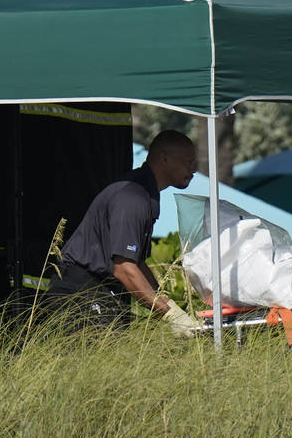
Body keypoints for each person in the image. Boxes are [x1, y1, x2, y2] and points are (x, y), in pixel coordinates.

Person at [47, 129, 202, 337]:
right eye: (189, 161)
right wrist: (169, 315)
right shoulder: (133, 196)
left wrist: (167, 303)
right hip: (80, 289)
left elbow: (136, 262)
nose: (194, 169)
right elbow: (124, 268)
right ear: (165, 159)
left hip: (101, 289)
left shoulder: (146, 193)